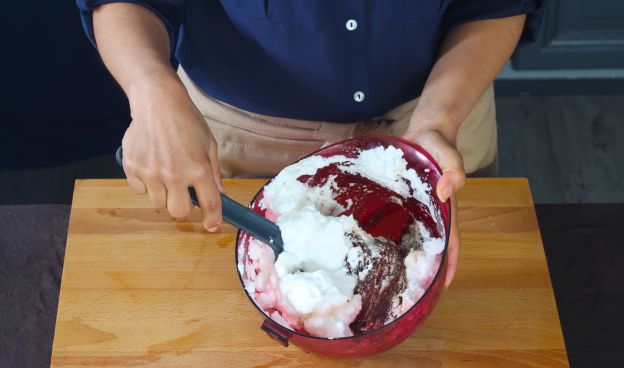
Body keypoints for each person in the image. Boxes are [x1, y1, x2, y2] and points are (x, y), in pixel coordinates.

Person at [76, 0, 546, 287]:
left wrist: (436, 123)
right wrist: (151, 91)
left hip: (438, 114)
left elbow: (492, 3)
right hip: (236, 136)